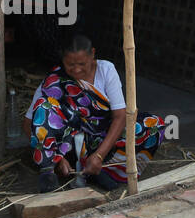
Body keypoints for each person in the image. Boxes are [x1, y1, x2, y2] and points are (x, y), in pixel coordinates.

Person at [26, 33, 165, 193]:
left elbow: (120, 116)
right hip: (69, 147)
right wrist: (57, 158)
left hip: (102, 141)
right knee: (45, 106)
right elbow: (29, 123)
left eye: (82, 63)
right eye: (70, 64)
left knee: (152, 125)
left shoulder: (106, 70)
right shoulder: (55, 79)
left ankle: (101, 170)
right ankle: (51, 171)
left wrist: (99, 155)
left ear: (92, 54)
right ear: (62, 59)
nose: (76, 69)